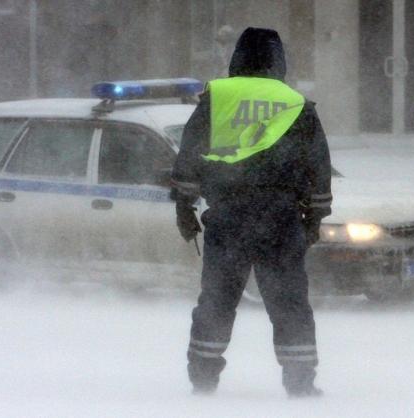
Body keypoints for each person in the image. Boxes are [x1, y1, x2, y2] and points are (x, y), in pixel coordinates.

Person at [171, 27, 332, 397]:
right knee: (290, 303)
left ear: (237, 58)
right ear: (279, 61)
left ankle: (204, 380)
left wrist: (184, 208)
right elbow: (318, 167)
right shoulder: (295, 104)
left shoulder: (219, 97)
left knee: (217, 300)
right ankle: (300, 384)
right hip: (281, 219)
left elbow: (189, 155)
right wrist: (314, 218)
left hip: (228, 217)